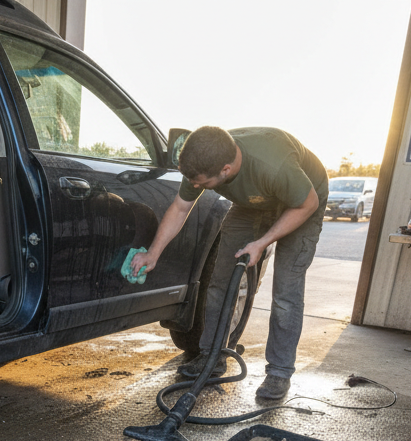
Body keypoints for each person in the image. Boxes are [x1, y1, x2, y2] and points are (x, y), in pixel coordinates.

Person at [131, 126, 328, 400]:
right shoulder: (201, 160)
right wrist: (153, 253)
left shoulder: (273, 164)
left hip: (302, 202)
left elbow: (307, 204)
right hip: (252, 203)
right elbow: (180, 208)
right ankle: (213, 357)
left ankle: (279, 373)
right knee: (220, 282)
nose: (196, 187)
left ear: (225, 170)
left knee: (286, 292)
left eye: (203, 184)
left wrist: (262, 242)